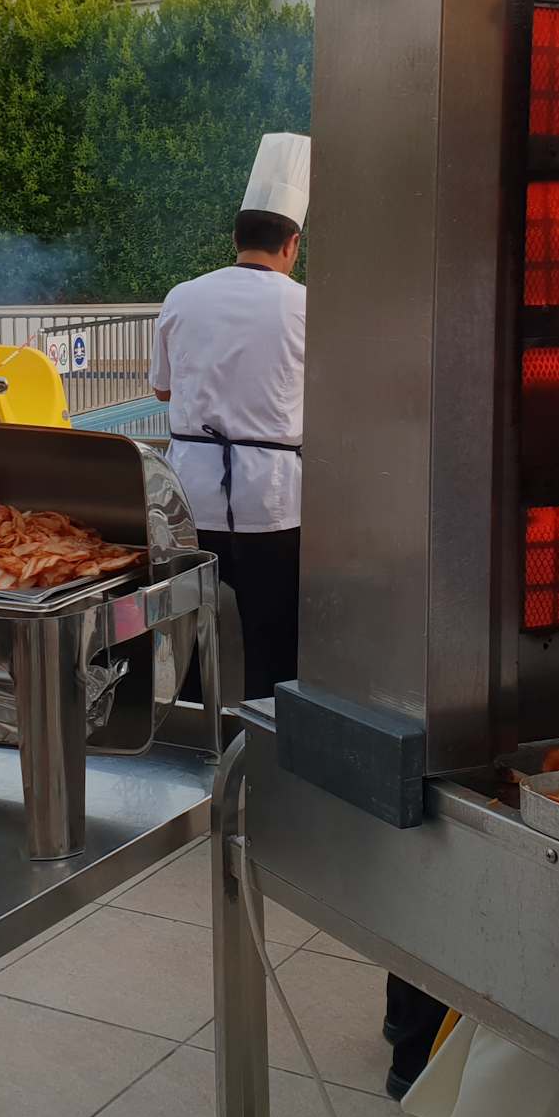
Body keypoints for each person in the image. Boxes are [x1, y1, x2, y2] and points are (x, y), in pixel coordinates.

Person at [149, 133, 307, 699]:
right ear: (292, 242)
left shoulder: (182, 296)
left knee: (188, 634)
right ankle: (269, 736)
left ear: (236, 238)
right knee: (275, 639)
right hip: (272, 500)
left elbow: (163, 390)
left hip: (190, 498)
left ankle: (190, 731)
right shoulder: (306, 306)